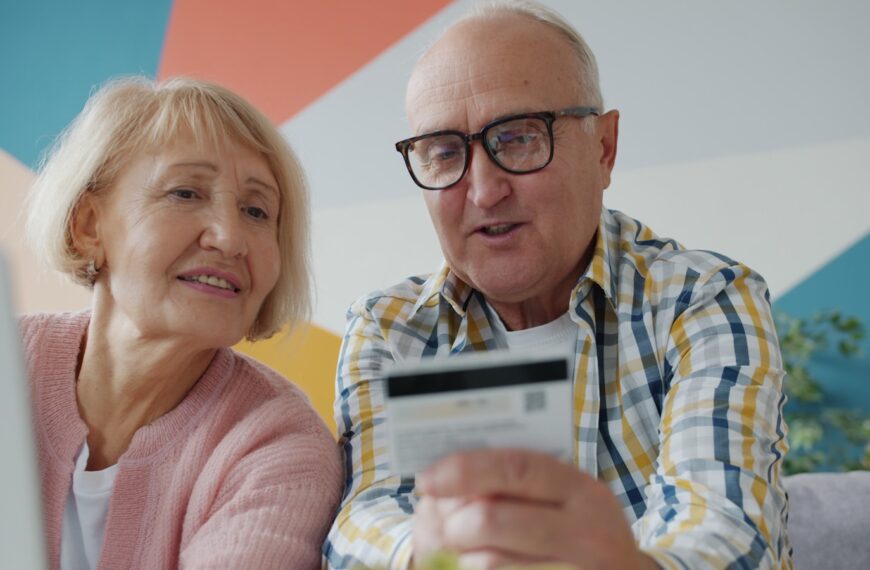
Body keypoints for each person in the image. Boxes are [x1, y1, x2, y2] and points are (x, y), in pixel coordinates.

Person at [324, 1, 791, 569]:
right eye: (444, 152)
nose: (483, 191)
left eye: (519, 137)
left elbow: (728, 534)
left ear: (604, 148)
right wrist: (431, 557)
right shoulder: (391, 330)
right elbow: (364, 522)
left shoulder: (701, 300)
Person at [22, 76, 342, 569]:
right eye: (186, 193)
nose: (230, 237)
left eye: (257, 211)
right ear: (88, 226)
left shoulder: (280, 446)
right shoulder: (12, 362)